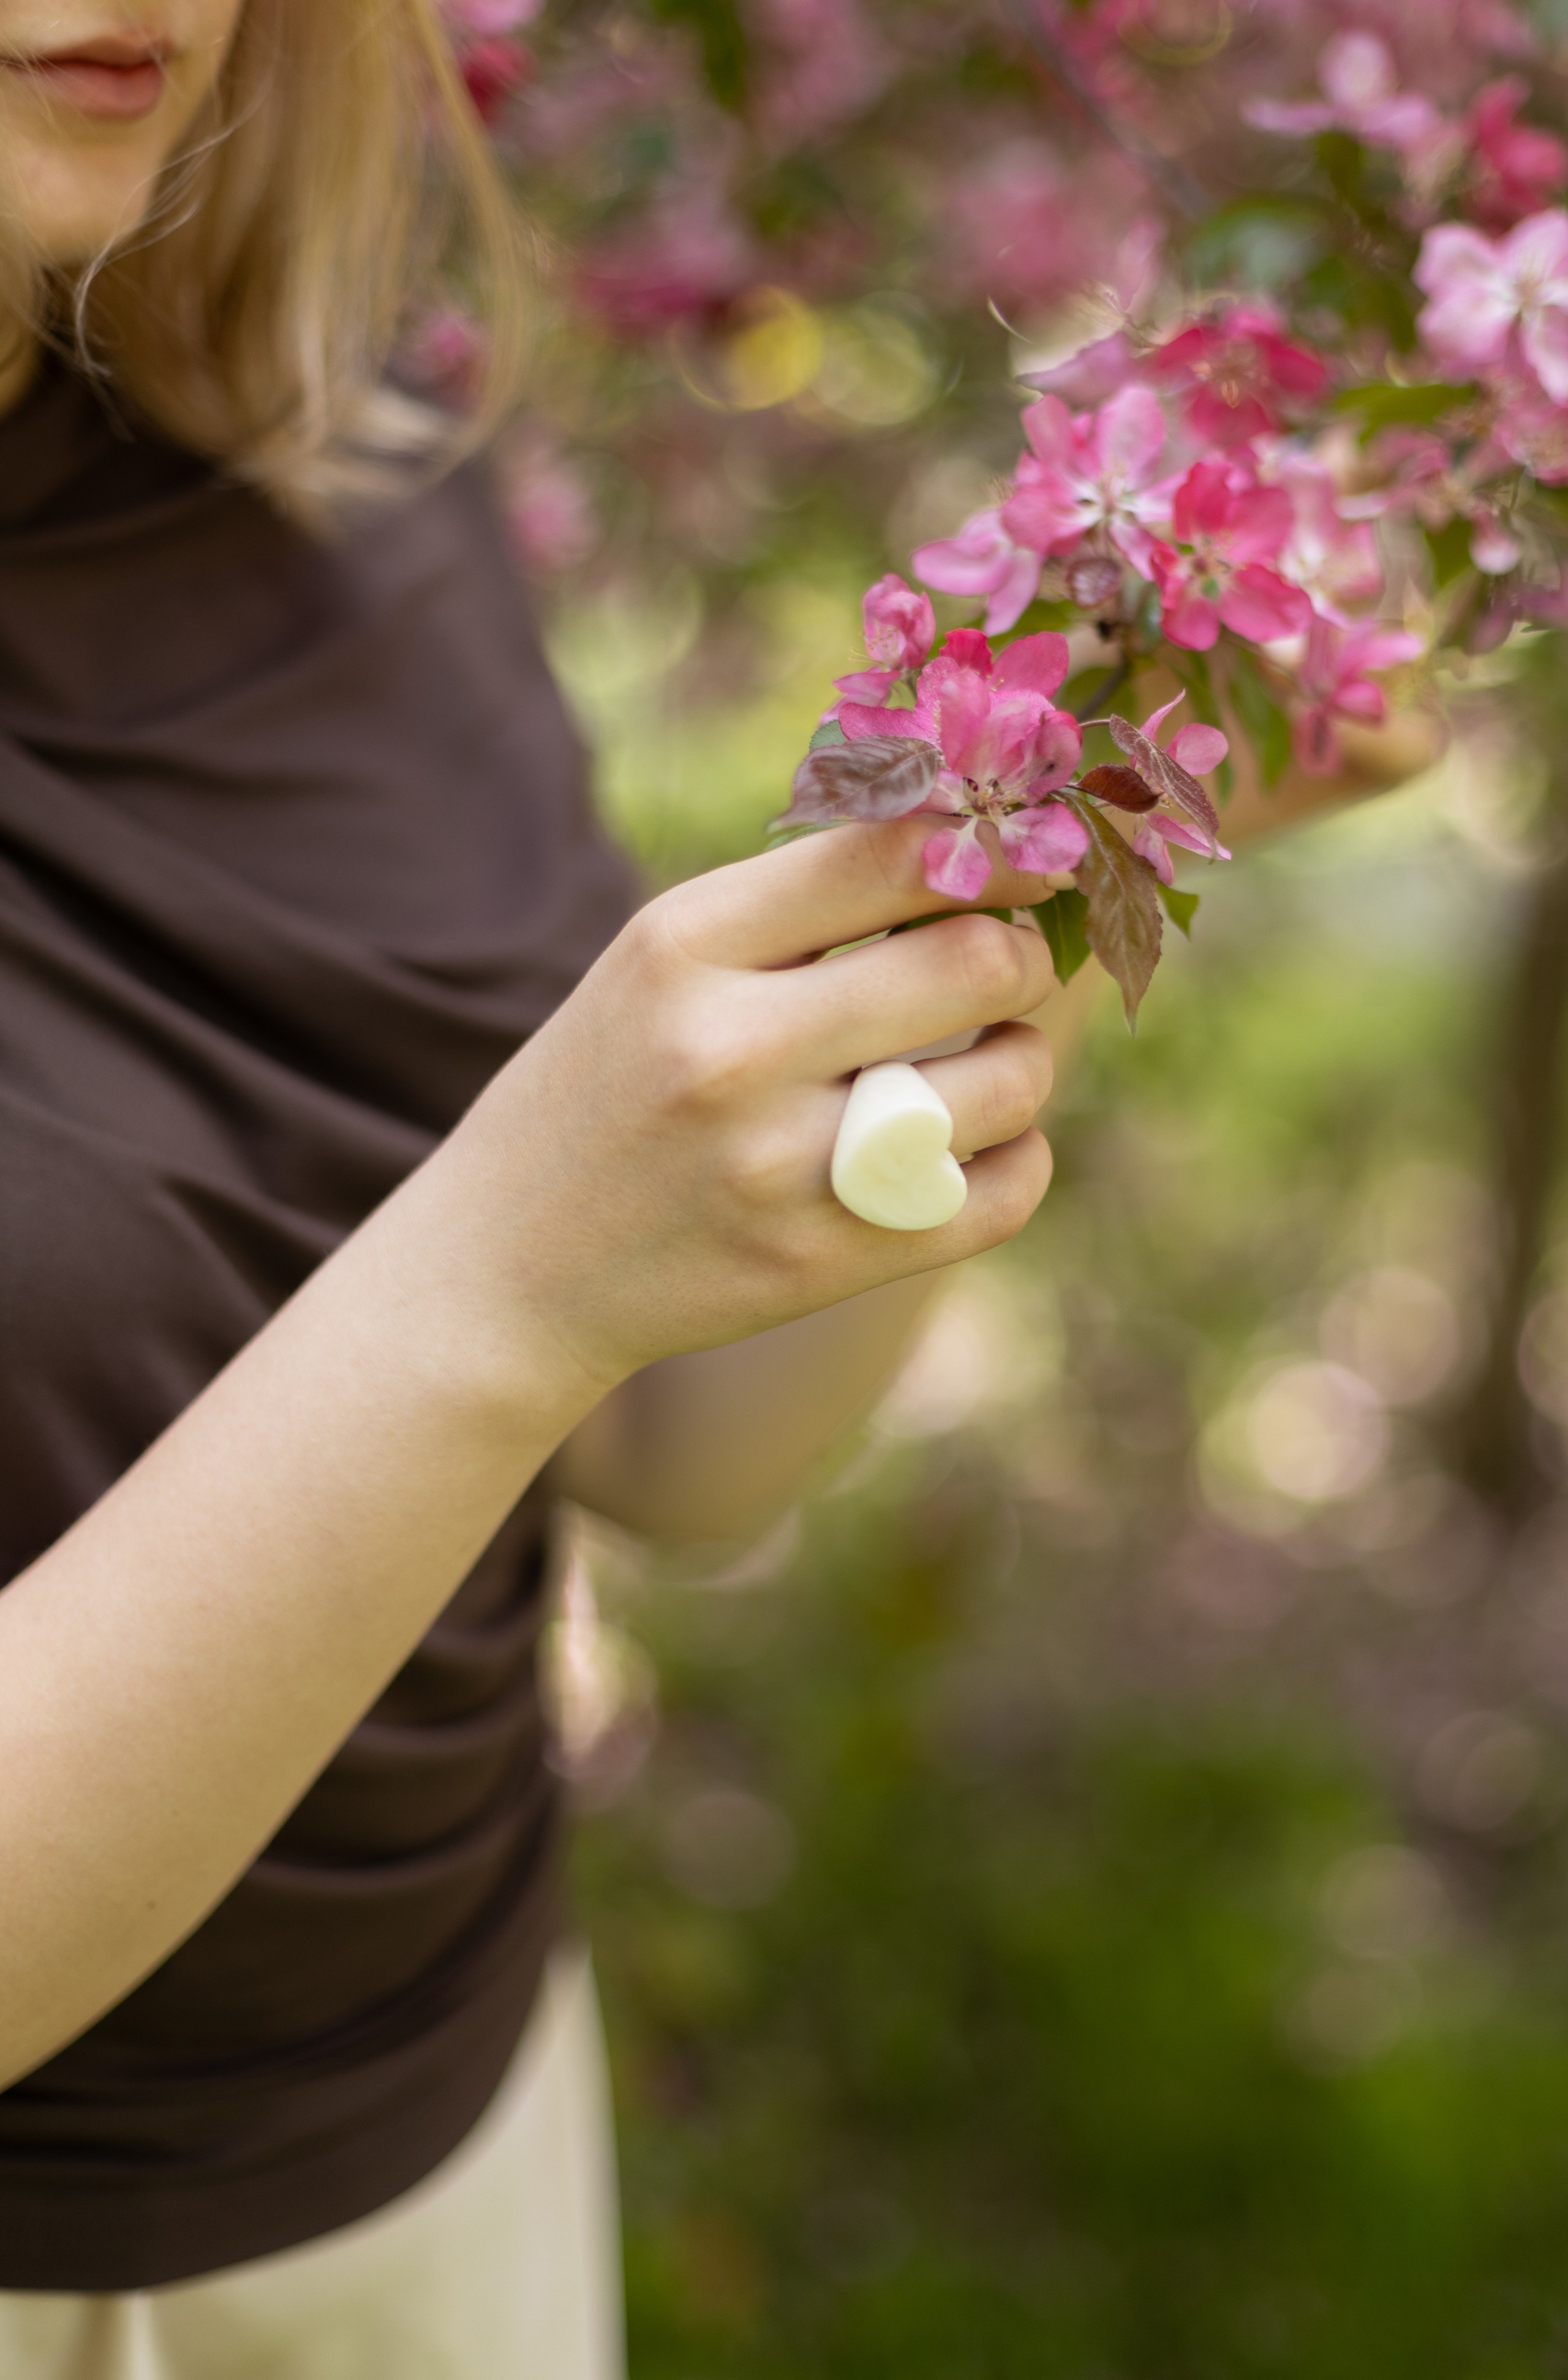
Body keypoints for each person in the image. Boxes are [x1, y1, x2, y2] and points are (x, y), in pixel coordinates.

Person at [0, 6, 1438, 2373]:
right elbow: (510, 1321)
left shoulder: (349, 448)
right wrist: (497, 1281)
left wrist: (1008, 897)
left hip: (454, 2186)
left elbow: (669, 1451)